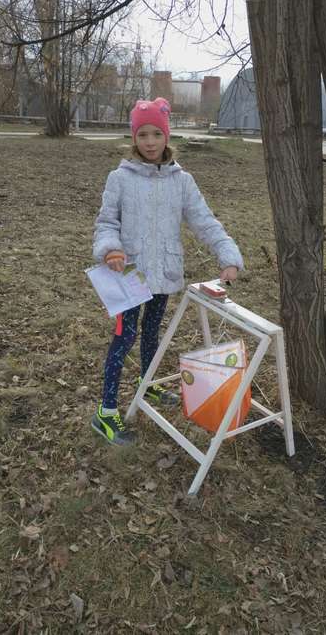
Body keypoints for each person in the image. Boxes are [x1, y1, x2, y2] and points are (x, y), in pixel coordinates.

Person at [91, 97, 244, 445]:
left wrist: (228, 255)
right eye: (142, 135)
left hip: (164, 275)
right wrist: (110, 248)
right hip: (128, 276)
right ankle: (106, 412)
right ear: (133, 138)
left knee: (152, 333)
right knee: (124, 338)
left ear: (166, 137)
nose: (148, 142)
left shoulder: (182, 181)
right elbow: (106, 222)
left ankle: (148, 385)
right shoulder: (120, 178)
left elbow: (204, 221)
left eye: (155, 134)